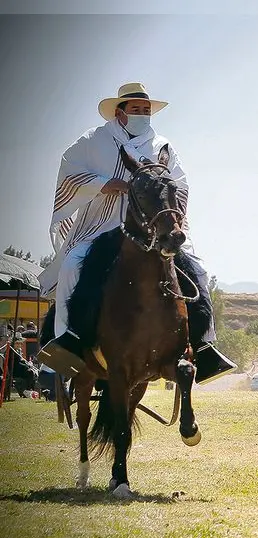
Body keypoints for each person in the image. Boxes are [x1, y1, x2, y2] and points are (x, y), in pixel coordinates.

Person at [36, 82, 235, 382]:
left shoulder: (162, 146)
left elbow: (179, 184)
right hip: (101, 226)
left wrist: (160, 203)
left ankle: (203, 346)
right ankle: (69, 344)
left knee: (200, 272)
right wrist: (105, 183)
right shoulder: (93, 140)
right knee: (71, 266)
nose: (143, 114)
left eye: (147, 110)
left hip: (152, 229)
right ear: (120, 111)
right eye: (136, 109)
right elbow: (70, 171)